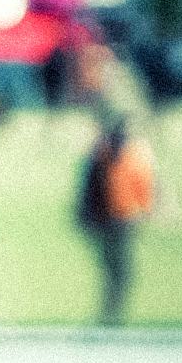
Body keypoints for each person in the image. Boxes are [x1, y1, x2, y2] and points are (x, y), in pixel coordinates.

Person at [76, 108, 157, 323]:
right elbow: (91, 192)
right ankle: (110, 316)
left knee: (119, 271)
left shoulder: (115, 154)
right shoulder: (106, 155)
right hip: (113, 220)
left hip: (122, 220)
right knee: (117, 270)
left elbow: (143, 186)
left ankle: (111, 315)